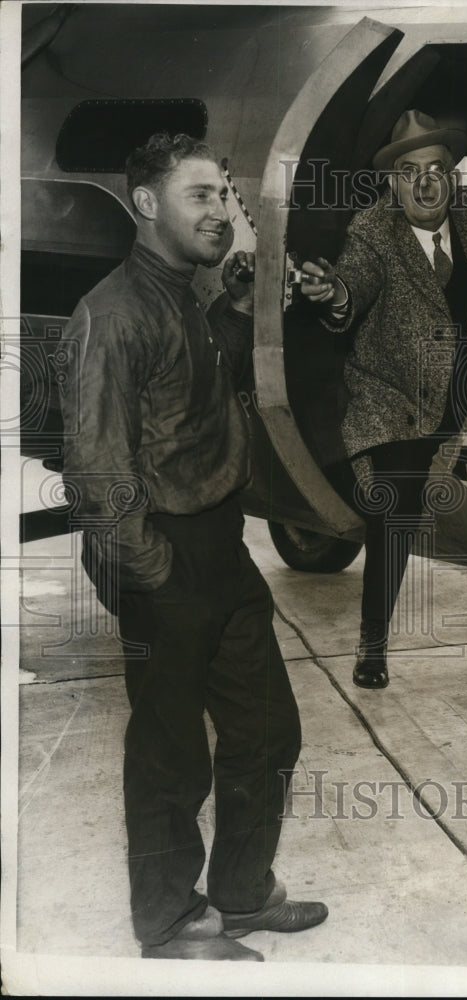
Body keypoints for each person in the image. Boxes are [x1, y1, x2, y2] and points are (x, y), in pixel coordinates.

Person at [59, 132, 327, 961]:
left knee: (267, 730)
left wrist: (237, 311)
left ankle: (242, 892)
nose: (222, 213)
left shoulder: (182, 294)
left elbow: (189, 395)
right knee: (171, 754)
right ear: (147, 205)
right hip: (163, 554)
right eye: (201, 196)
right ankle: (170, 921)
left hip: (220, 547)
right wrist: (153, 576)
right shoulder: (112, 313)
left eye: (224, 195)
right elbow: (97, 472)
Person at [300, 109, 467, 690]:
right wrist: (334, 294)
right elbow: (356, 280)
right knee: (394, 510)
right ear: (391, 182)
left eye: (435, 169)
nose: (425, 184)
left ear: (453, 175)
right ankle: (372, 643)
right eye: (409, 172)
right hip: (395, 400)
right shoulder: (374, 232)